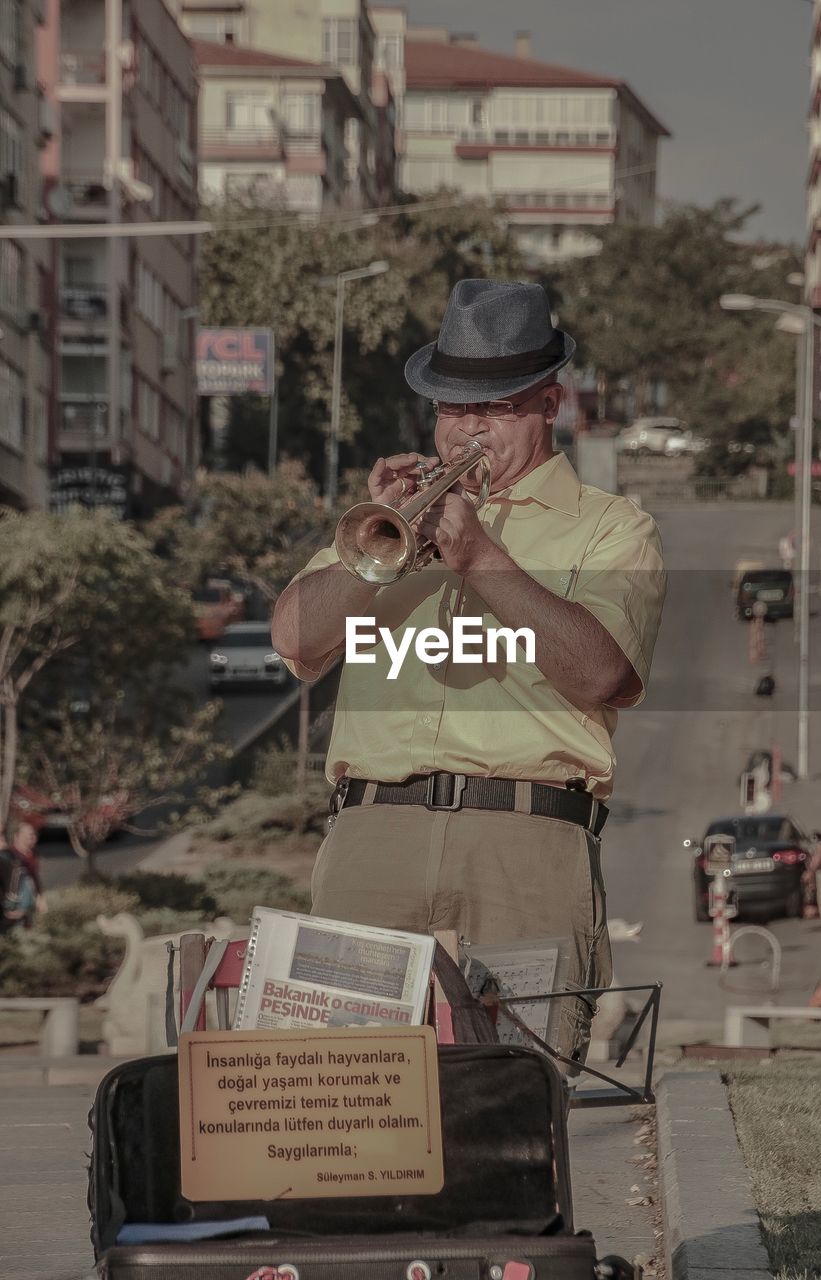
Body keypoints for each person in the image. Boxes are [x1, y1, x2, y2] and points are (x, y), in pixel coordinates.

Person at [272, 278, 667, 1061]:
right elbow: (295, 640)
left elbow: (603, 675)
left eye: (491, 409)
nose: (466, 434)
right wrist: (381, 552)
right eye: (451, 409)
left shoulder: (611, 529)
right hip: (371, 834)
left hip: (524, 842)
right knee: (342, 1097)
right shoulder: (396, 523)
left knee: (516, 1098)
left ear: (549, 403)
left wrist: (484, 558)